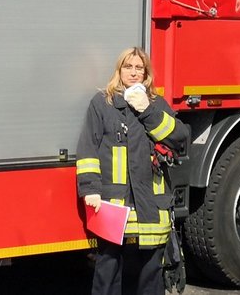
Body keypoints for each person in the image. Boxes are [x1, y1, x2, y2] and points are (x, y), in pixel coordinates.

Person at [76, 47, 189, 295]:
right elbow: (88, 149)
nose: (134, 72)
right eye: (128, 67)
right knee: (108, 271)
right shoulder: (103, 103)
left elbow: (180, 139)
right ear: (119, 71)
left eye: (140, 68)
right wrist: (90, 189)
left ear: (146, 73)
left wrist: (147, 110)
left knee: (149, 275)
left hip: (151, 205)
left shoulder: (156, 104)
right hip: (115, 206)